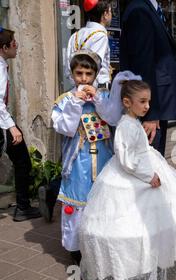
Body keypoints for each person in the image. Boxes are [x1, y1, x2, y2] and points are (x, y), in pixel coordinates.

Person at [79, 72, 176, 280]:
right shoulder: (126, 126)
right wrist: (149, 176)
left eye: (149, 101)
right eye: (143, 102)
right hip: (138, 173)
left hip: (145, 165)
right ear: (127, 103)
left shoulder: (132, 122)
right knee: (133, 225)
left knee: (155, 221)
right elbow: (128, 161)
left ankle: (149, 267)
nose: (148, 106)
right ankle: (133, 271)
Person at [51, 50, 120, 264]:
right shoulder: (65, 100)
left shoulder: (104, 97)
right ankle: (76, 248)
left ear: (95, 75)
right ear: (72, 74)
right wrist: (75, 103)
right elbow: (65, 128)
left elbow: (114, 118)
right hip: (77, 162)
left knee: (102, 200)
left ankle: (101, 243)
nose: (83, 79)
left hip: (103, 159)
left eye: (88, 74)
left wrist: (98, 100)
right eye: (79, 73)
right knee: (78, 202)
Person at [120, 0, 176, 156]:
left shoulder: (147, 8)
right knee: (149, 165)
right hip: (151, 110)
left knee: (153, 164)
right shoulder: (139, 11)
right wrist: (150, 113)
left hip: (156, 105)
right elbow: (142, 65)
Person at [0, 27, 41, 222]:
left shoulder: (2, 65)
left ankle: (23, 205)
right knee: (23, 160)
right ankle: (23, 206)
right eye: (14, 44)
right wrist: (11, 126)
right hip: (2, 123)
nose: (17, 47)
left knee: (21, 160)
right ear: (5, 47)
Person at [66, 0, 113, 89]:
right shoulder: (100, 36)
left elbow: (68, 70)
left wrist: (78, 87)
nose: (111, 15)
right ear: (105, 14)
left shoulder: (75, 35)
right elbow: (94, 66)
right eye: (110, 11)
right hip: (95, 91)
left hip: (76, 89)